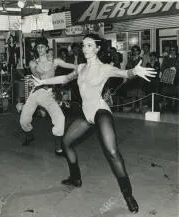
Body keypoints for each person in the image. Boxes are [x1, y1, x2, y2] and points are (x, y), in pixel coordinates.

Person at [32, 33, 156, 213]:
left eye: (89, 45)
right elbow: (65, 79)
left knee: (112, 152)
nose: (85, 48)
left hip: (100, 111)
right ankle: (75, 178)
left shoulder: (104, 68)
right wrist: (43, 81)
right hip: (86, 113)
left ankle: (128, 194)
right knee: (66, 143)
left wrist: (134, 72)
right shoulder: (81, 67)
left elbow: (124, 73)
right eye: (83, 45)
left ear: (97, 49)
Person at [20, 37, 77, 156]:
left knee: (60, 118)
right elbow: (35, 77)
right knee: (24, 120)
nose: (40, 49)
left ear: (47, 48)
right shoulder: (33, 63)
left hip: (47, 93)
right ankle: (29, 136)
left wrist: (81, 67)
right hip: (35, 92)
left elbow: (71, 66)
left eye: (42, 46)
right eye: (38, 47)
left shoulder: (55, 61)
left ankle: (58, 147)